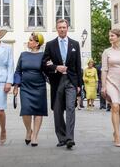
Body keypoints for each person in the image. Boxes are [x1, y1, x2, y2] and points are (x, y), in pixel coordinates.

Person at [42, 19, 82, 149]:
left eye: (64, 27)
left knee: (70, 108)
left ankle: (70, 138)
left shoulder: (75, 44)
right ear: (56, 28)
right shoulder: (50, 45)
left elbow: (78, 66)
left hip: (71, 80)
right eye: (60, 27)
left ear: (67, 28)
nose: (62, 29)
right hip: (57, 81)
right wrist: (56, 67)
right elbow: (44, 64)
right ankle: (62, 137)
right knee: (57, 110)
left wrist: (79, 85)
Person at [13, 32, 47, 147]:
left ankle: (35, 136)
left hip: (39, 87)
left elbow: (48, 71)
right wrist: (16, 86)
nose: (29, 41)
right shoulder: (23, 55)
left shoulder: (44, 55)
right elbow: (18, 71)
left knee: (38, 111)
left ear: (37, 43)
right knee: (26, 111)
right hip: (25, 87)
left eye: (31, 40)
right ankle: (28, 130)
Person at [101, 29, 120, 147]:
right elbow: (104, 69)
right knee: (114, 106)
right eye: (109, 36)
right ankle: (118, 136)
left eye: (112, 36)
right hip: (111, 81)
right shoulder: (106, 52)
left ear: (119, 37)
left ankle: (115, 130)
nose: (110, 38)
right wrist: (103, 86)